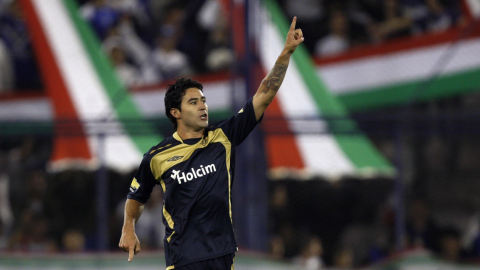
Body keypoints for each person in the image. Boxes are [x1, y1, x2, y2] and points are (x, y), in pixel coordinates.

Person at [118, 17, 304, 270]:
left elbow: (264, 94)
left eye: (203, 100)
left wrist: (286, 53)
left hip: (223, 254)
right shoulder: (156, 157)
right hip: (183, 258)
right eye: (193, 102)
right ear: (176, 113)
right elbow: (136, 197)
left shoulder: (223, 136)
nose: (202, 106)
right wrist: (129, 228)